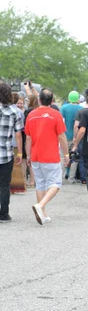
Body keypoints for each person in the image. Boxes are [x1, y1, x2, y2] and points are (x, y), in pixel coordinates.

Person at [25, 88, 69, 225]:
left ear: (39, 100)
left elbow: (28, 138)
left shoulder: (31, 115)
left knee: (41, 184)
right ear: (51, 101)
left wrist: (28, 155)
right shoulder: (56, 115)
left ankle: (42, 214)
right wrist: (66, 154)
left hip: (36, 155)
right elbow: (61, 136)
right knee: (55, 183)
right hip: (51, 155)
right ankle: (41, 206)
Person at [0, 82, 23, 222]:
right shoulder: (16, 112)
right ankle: (3, 214)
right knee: (4, 184)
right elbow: (18, 135)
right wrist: (19, 153)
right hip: (6, 153)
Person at [60, 90, 82, 182]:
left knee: (62, 156)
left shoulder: (64, 108)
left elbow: (61, 121)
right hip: (76, 136)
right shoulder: (81, 108)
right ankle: (71, 178)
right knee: (74, 157)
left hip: (64, 135)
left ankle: (60, 177)